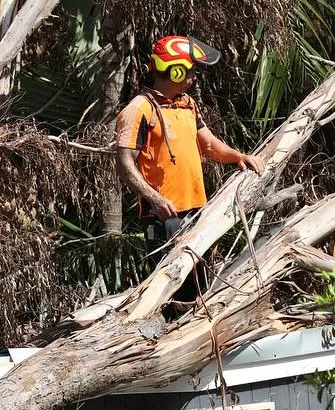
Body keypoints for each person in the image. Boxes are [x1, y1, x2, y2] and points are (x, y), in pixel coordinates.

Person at [114, 34, 266, 302]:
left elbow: (208, 144)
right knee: (170, 292)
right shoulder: (139, 110)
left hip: (197, 210)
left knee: (199, 287)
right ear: (174, 70)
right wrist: (154, 198)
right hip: (164, 216)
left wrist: (238, 156)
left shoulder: (187, 104)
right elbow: (125, 166)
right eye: (191, 71)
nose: (194, 77)